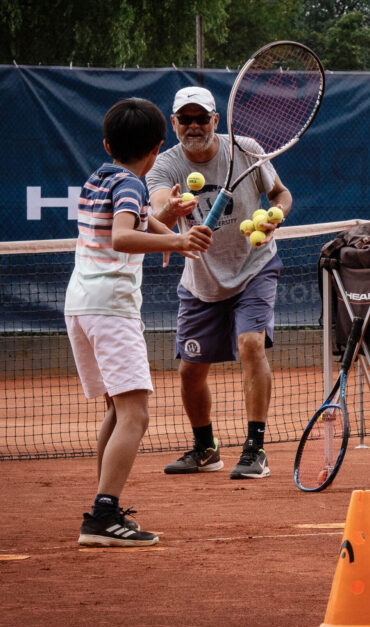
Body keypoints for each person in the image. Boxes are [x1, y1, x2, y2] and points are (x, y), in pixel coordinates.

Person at [67, 98, 213, 546]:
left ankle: (101, 507)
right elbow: (124, 235)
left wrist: (176, 236)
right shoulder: (132, 184)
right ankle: (104, 514)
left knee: (116, 408)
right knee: (136, 414)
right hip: (112, 308)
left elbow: (145, 223)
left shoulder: (101, 177)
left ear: (108, 143)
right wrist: (176, 239)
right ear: (158, 148)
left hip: (82, 306)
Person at [147, 86, 293, 480]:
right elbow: (157, 211)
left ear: (215, 120)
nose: (194, 126)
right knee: (190, 371)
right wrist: (171, 209)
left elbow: (280, 193)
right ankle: (205, 449)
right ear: (174, 123)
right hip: (201, 280)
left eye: (201, 118)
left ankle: (255, 449)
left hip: (254, 265)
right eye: (185, 119)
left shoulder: (244, 148)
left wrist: (275, 214)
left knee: (251, 344)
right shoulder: (165, 166)